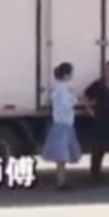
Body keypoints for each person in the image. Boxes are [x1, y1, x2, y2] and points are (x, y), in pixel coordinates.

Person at [42, 62, 82, 190]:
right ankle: (61, 181)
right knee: (61, 156)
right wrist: (75, 99)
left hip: (62, 124)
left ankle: (62, 180)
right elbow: (67, 104)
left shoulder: (58, 88)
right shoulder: (63, 89)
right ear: (66, 75)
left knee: (62, 156)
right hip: (63, 125)